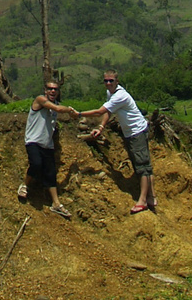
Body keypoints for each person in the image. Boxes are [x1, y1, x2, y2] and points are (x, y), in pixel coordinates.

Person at [78, 70, 157, 214]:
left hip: (137, 132)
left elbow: (99, 111)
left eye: (111, 81)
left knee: (142, 166)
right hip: (132, 133)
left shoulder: (120, 95)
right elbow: (109, 111)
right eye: (106, 81)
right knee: (142, 164)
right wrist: (101, 127)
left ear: (117, 81)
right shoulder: (112, 94)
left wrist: (79, 113)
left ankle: (143, 200)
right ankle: (151, 197)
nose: (108, 83)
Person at [17, 79, 78, 218]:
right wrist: (69, 110)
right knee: (36, 164)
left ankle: (56, 203)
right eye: (50, 89)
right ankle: (24, 185)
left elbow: (57, 108)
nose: (52, 91)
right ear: (45, 90)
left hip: (47, 145)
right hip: (33, 141)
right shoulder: (40, 100)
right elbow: (57, 109)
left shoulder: (55, 105)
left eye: (55, 89)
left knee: (51, 175)